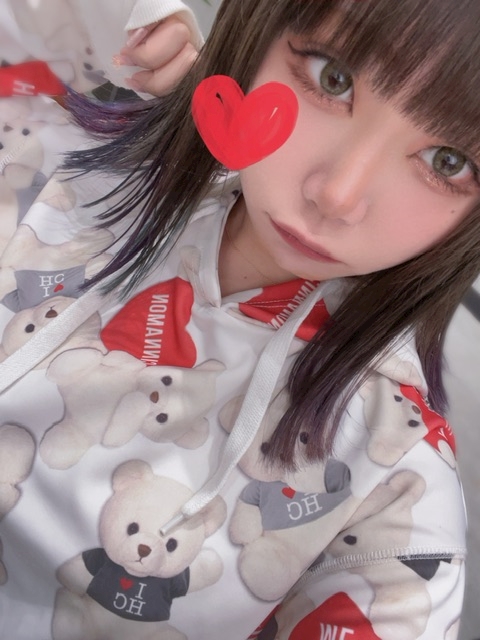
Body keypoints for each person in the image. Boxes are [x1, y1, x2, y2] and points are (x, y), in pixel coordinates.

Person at [0, 0, 478, 638]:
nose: (336, 196)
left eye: (448, 161)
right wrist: (115, 20)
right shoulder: (51, 173)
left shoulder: (392, 479)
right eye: (333, 78)